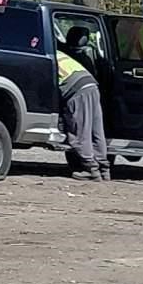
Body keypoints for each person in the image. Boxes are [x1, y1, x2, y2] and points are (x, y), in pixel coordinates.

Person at [58, 25, 111, 182]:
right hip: (92, 86)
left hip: (77, 91)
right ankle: (104, 170)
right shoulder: (74, 56)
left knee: (80, 132)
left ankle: (91, 170)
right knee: (96, 131)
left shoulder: (51, 55)